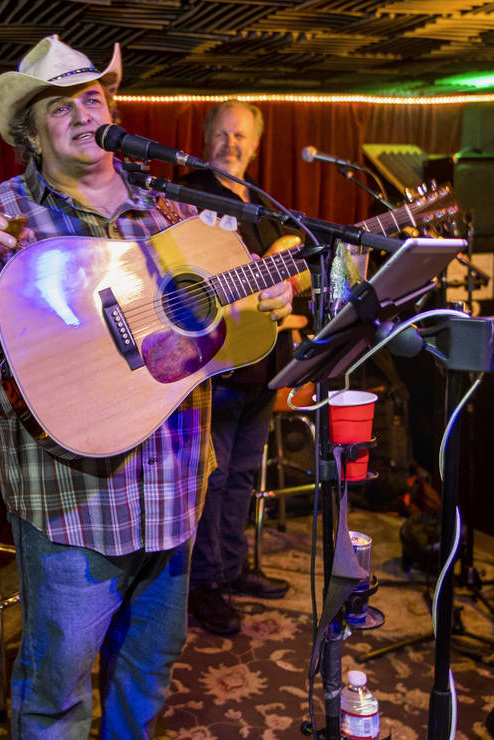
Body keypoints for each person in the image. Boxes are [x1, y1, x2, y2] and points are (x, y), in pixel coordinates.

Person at [0, 37, 293, 737]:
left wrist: (264, 301)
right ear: (30, 134)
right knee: (57, 687)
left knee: (147, 675)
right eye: (59, 108)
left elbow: (220, 333)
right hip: (73, 503)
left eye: (92, 98)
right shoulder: (0, 215)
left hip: (176, 492)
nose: (83, 116)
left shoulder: (172, 210)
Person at [176, 101, 294, 637]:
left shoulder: (267, 206)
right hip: (215, 365)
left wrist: (293, 283)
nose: (231, 143)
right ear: (205, 138)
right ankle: (203, 585)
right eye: (221, 134)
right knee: (212, 480)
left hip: (264, 364)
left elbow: (298, 272)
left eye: (240, 135)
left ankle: (232, 568)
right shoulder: (186, 191)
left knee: (242, 475)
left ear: (256, 143)